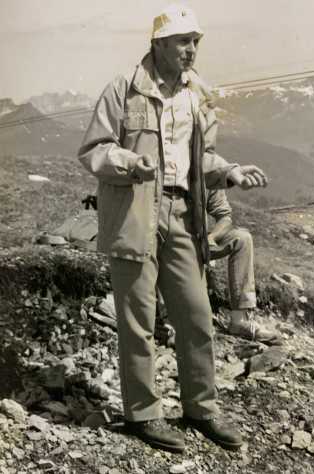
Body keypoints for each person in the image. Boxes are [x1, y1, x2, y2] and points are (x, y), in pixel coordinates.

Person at [78, 4, 268, 453]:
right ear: (159, 43)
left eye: (196, 42)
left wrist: (229, 171)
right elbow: (93, 150)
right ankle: (143, 414)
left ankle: (201, 409)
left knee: (197, 316)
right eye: (184, 42)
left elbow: (197, 159)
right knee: (137, 321)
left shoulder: (197, 95)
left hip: (184, 213)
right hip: (134, 212)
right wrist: (128, 162)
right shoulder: (122, 89)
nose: (192, 50)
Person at [207, 189, 281, 344]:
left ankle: (239, 321)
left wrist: (212, 237)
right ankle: (169, 321)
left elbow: (224, 217)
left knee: (242, 239)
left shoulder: (208, 171)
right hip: (171, 239)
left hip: (203, 239)